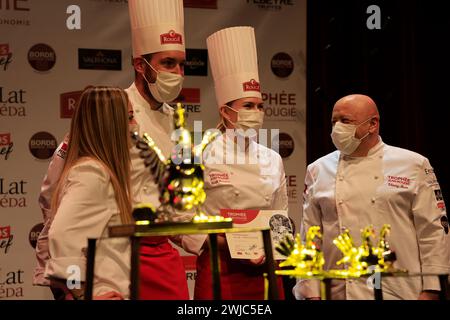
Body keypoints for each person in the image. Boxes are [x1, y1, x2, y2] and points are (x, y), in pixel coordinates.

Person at [34, 0, 190, 300]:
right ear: (140, 65)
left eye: (182, 64)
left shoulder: (178, 122)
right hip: (115, 254)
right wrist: (68, 286)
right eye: (168, 63)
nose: (178, 72)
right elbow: (54, 189)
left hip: (162, 257)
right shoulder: (112, 111)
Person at [293, 94, 450, 300]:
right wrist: (310, 291)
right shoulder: (317, 169)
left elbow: (433, 231)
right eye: (334, 121)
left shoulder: (413, 164)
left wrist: (432, 289)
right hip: (337, 290)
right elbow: (310, 237)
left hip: (399, 290)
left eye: (345, 121)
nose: (337, 128)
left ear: (372, 124)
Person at [188, 26, 289, 300]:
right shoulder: (199, 154)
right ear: (225, 111)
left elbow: (280, 216)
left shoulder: (272, 159)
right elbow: (183, 218)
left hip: (266, 269)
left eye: (259, 106)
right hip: (219, 268)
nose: (256, 113)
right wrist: (221, 244)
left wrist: (273, 249)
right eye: (248, 106)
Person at [44, 86, 133, 300]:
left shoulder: (100, 171)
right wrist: (81, 294)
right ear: (109, 125)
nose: (135, 125)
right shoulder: (92, 173)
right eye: (129, 118)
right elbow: (61, 237)